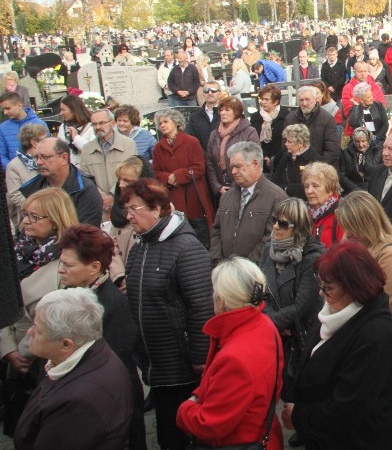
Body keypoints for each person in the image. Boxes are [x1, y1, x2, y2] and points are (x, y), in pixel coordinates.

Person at [281, 242, 392, 449]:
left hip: (361, 441)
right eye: (321, 285)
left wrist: (300, 416)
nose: (321, 294)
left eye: (328, 288)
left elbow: (348, 407)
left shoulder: (375, 336)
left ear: (355, 288)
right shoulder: (334, 310)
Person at [121, 178, 214, 450]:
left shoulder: (186, 249)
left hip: (181, 364)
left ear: (157, 208)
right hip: (157, 362)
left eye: (134, 209)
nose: (128, 216)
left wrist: (199, 357)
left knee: (180, 434)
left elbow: (201, 307)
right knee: (166, 432)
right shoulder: (142, 245)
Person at [176, 257, 285, 450]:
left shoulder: (234, 359)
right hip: (265, 432)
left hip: (240, 442)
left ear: (223, 300)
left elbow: (208, 424)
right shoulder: (265, 324)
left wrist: (185, 409)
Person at [56, 224, 146, 450]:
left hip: (109, 411)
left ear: (94, 267)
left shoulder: (113, 305)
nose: (61, 270)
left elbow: (111, 367)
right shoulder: (73, 295)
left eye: (68, 265)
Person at [1, 187, 78, 437]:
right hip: (11, 354)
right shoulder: (17, 251)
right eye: (25, 215)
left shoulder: (69, 263)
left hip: (42, 361)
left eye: (35, 217)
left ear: (55, 222)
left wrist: (24, 352)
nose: (25, 221)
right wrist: (8, 349)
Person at [13, 288, 134, 450]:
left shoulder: (78, 403)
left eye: (38, 329)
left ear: (66, 344)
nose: (30, 331)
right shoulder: (91, 349)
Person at [258, 198, 324, 389]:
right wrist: (269, 322)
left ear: (298, 228)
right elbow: (260, 292)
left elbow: (302, 306)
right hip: (273, 336)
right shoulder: (267, 251)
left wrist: (268, 321)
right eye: (275, 220)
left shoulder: (312, 258)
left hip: (299, 339)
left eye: (283, 224)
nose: (276, 227)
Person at [336, 191, 392, 322]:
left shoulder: (390, 254)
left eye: (353, 227)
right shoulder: (350, 241)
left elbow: (388, 305)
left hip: (375, 328)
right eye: (345, 226)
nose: (348, 233)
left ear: (368, 223)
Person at [211, 142, 286, 264]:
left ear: (255, 164)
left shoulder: (277, 197)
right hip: (225, 271)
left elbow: (272, 237)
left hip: (256, 272)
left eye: (238, 166)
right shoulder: (226, 197)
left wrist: (245, 267)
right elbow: (216, 231)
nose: (233, 171)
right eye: (232, 167)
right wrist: (219, 262)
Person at [152, 108, 216, 246]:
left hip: (194, 193)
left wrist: (178, 176)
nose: (162, 125)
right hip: (173, 195)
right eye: (160, 123)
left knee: (199, 228)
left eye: (165, 121)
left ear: (176, 122)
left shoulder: (191, 141)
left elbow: (199, 167)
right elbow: (156, 171)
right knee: (178, 228)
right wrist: (168, 177)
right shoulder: (157, 148)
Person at [19, 138, 103, 227]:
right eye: (37, 157)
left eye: (45, 157)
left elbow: (85, 234)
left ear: (64, 157)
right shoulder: (33, 188)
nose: (39, 162)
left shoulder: (85, 189)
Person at [79, 109, 138, 215]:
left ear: (112, 123)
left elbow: (133, 175)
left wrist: (112, 195)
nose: (97, 127)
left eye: (101, 123)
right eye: (94, 124)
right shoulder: (86, 149)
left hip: (123, 204)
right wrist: (101, 197)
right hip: (98, 205)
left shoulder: (129, 144)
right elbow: (85, 178)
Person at [206, 96, 260, 197]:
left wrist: (235, 187)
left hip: (244, 188)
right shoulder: (214, 134)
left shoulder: (249, 132)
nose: (222, 113)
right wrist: (217, 186)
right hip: (221, 190)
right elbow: (210, 162)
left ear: (237, 112)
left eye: (227, 110)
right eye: (221, 110)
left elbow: (254, 160)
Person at [5, 123, 47, 230]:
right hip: (31, 220)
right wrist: (38, 211)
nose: (47, 142)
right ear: (34, 143)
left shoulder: (48, 159)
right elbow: (15, 195)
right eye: (44, 139)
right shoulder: (14, 166)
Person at [284, 86, 340, 166]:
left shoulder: (327, 119)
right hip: (295, 165)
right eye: (301, 100)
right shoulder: (290, 118)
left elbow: (332, 149)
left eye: (307, 99)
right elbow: (285, 144)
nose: (304, 103)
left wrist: (318, 166)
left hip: (319, 169)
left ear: (315, 99)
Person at [303, 161, 346, 247]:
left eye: (315, 186)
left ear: (330, 189)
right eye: (306, 186)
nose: (309, 191)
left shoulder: (342, 215)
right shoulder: (302, 213)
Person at [0, 92, 47, 168]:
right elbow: (2, 155)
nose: (5, 112)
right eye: (3, 109)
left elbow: (47, 150)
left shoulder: (39, 124)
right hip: (14, 172)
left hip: (39, 170)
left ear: (19, 105)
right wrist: (12, 170)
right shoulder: (2, 128)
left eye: (8, 108)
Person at [271, 124, 318, 200]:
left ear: (300, 143)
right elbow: (275, 182)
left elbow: (309, 188)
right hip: (284, 201)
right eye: (286, 141)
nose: (286, 144)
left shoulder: (314, 161)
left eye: (289, 142)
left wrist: (287, 188)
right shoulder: (285, 158)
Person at [250, 84, 289, 172]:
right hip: (261, 161)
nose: (263, 102)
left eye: (266, 99)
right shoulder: (255, 117)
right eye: (262, 99)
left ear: (275, 101)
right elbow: (253, 140)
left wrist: (274, 158)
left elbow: (287, 140)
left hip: (282, 161)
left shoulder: (286, 116)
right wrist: (264, 157)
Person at [339, 126, 382, 193]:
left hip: (373, 189)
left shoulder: (377, 152)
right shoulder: (346, 153)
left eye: (363, 141)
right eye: (357, 141)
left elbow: (381, 174)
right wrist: (357, 190)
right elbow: (342, 176)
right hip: (352, 190)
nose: (361, 145)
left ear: (369, 140)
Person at [56, 94, 96, 167]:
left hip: (87, 170)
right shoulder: (63, 127)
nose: (61, 113)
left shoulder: (91, 127)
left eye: (63, 110)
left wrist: (76, 138)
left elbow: (91, 151)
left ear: (74, 110)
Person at [185, 81, 222, 153]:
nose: (210, 93)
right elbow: (190, 139)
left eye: (213, 91)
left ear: (220, 93)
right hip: (202, 158)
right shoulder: (195, 116)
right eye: (206, 91)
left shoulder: (229, 113)